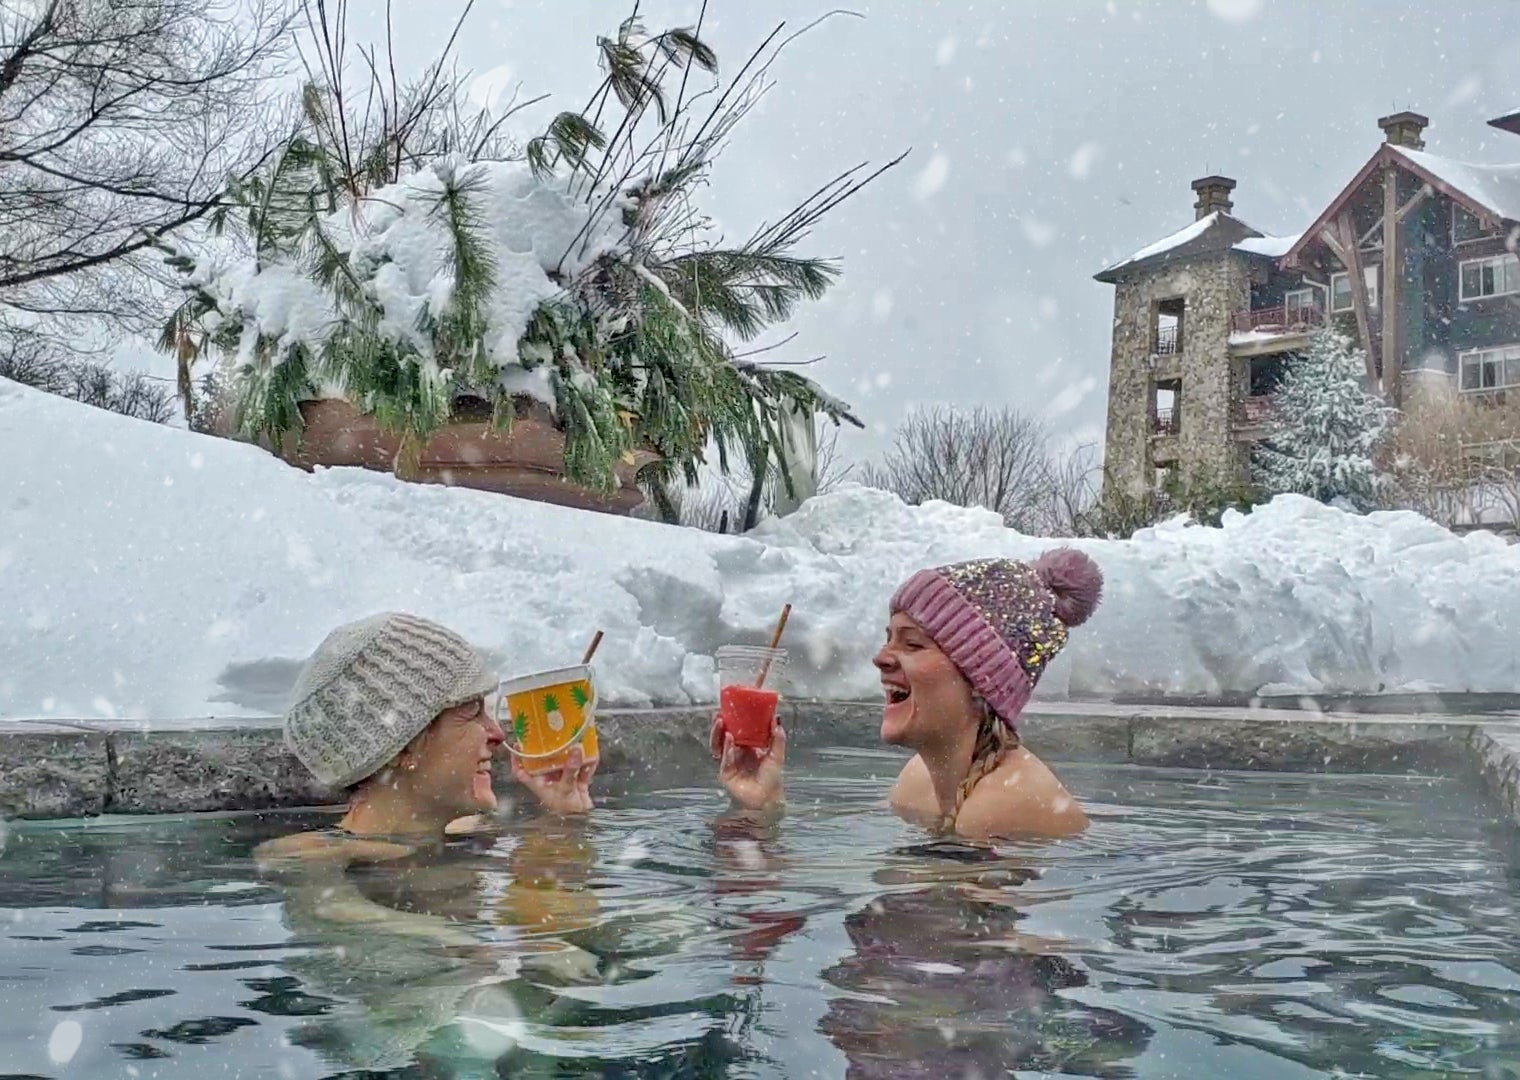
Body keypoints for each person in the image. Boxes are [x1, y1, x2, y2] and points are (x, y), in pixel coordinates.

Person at [713, 549, 1103, 839]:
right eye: (888, 640)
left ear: (981, 683)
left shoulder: (1004, 804)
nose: (881, 659)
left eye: (913, 645)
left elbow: (922, 930)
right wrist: (761, 806)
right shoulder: (918, 782)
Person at [259, 610, 596, 862]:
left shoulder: (471, 833)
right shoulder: (310, 859)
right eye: (470, 711)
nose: (496, 733)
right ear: (401, 749)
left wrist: (562, 821)